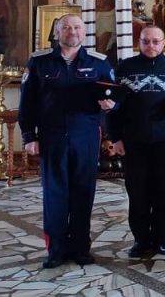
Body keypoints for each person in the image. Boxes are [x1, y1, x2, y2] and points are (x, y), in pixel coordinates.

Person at [19, 14, 115, 269]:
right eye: (66, 27)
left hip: (85, 138)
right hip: (51, 137)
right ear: (57, 32)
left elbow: (115, 97)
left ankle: (81, 247)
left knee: (84, 191)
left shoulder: (99, 62)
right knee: (54, 193)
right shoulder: (39, 62)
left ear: (84, 32)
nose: (72, 31)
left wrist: (111, 106)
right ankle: (56, 249)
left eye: (77, 27)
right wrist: (29, 136)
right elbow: (27, 102)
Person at [107, 26, 165, 258]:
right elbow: (113, 108)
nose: (151, 45)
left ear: (164, 42)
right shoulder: (124, 68)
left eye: (155, 41)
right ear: (139, 42)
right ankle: (141, 240)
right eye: (146, 41)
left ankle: (162, 238)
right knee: (137, 191)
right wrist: (115, 137)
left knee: (164, 190)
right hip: (134, 141)